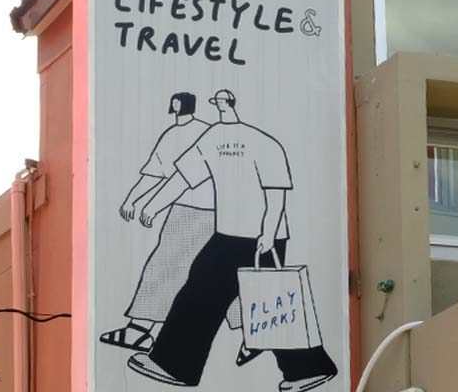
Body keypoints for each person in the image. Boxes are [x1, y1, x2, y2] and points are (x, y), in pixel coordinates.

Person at [128, 89, 337, 392]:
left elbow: (275, 195)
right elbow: (184, 178)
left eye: (223, 102)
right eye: (218, 103)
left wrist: (268, 233)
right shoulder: (213, 138)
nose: (220, 107)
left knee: (265, 304)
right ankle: (174, 365)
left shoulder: (264, 144)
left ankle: (307, 370)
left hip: (261, 238)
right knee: (220, 296)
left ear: (231, 105)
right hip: (230, 234)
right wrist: (153, 205)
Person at [99, 92, 217, 352]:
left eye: (176, 101)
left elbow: (173, 177)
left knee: (164, 267)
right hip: (219, 213)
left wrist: (146, 205)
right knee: (218, 272)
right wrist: (133, 200)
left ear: (179, 105)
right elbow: (155, 173)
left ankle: (139, 331)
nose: (173, 105)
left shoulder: (189, 134)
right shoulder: (189, 133)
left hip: (192, 210)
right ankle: (256, 333)